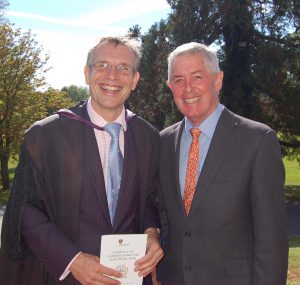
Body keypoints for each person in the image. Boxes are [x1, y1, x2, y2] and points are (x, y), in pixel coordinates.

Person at [0, 36, 163, 285]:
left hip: (130, 277)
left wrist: (152, 232)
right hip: (66, 278)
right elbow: (24, 208)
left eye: (123, 68)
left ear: (135, 79)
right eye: (103, 66)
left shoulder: (147, 136)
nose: (112, 76)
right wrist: (72, 259)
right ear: (87, 74)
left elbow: (151, 197)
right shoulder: (46, 135)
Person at [157, 42, 288, 285]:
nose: (188, 89)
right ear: (169, 87)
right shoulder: (163, 142)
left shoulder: (257, 140)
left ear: (218, 81)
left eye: (197, 77)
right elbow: (166, 220)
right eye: (178, 80)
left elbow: (271, 239)